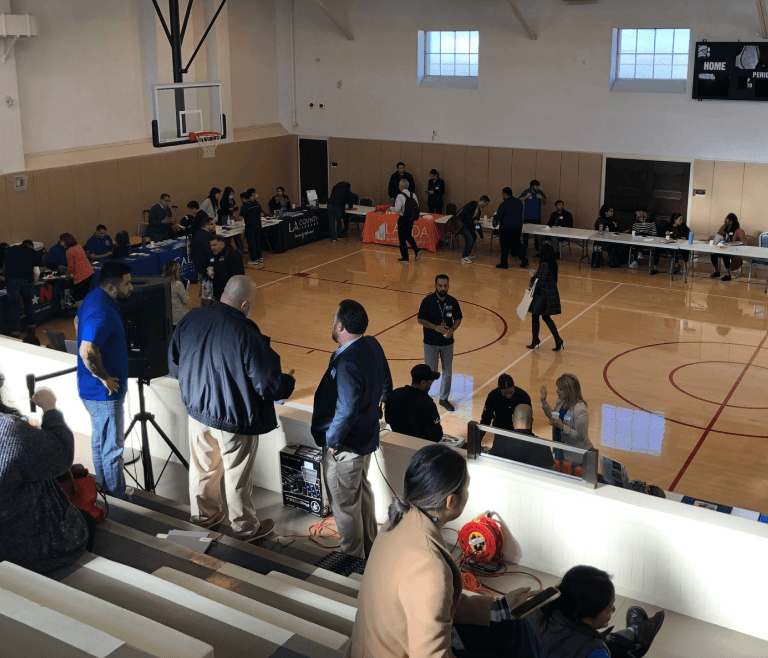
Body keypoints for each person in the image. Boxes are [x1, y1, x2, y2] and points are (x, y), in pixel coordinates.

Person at [347, 443, 540, 658]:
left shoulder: (397, 522)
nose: (468, 492)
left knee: (513, 627)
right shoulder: (428, 566)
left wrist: (498, 609)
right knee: (518, 636)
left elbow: (434, 603)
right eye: (466, 487)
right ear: (451, 501)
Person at [169, 276, 295, 541]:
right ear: (245, 303)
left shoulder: (192, 318)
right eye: (254, 301)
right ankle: (245, 528)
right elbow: (268, 385)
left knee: (203, 470)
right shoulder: (245, 332)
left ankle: (204, 517)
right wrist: (288, 383)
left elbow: (175, 364)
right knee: (237, 476)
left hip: (197, 412)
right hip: (233, 418)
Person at [311, 299, 392, 558]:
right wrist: (383, 396)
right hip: (364, 438)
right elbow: (386, 376)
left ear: (340, 326)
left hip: (345, 447)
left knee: (345, 507)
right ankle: (371, 550)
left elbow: (346, 409)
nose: (332, 321)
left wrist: (333, 441)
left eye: (334, 318)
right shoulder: (372, 344)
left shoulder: (347, 363)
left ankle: (352, 561)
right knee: (362, 494)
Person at [0, 387, 92, 574]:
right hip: (27, 551)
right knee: (86, 521)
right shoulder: (10, 430)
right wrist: (50, 408)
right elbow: (61, 453)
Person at [75, 260, 133, 501]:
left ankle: (105, 491)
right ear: (111, 288)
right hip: (104, 395)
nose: (131, 288)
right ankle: (118, 497)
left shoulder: (92, 299)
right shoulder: (103, 311)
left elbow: (77, 323)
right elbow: (87, 350)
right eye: (126, 284)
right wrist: (105, 377)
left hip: (90, 390)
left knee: (100, 442)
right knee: (112, 448)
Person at [532, 565, 665, 658]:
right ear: (587, 616)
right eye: (609, 607)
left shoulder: (535, 611)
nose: (614, 609)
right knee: (617, 646)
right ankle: (636, 636)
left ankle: (635, 633)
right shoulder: (593, 651)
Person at [418, 274, 462, 412]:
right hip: (430, 343)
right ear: (435, 286)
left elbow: (458, 319)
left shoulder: (453, 301)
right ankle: (425, 397)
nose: (443, 288)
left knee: (447, 372)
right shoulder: (428, 301)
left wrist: (452, 329)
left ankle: (444, 399)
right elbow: (420, 319)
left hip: (447, 343)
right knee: (430, 372)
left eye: (445, 286)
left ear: (448, 286)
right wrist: (435, 327)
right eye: (440, 286)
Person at [540, 373, 593, 465]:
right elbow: (554, 417)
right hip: (560, 447)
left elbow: (581, 437)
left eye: (560, 389)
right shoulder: (561, 401)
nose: (557, 391)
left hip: (575, 455)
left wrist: (562, 426)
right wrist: (544, 401)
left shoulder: (580, 411)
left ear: (569, 391)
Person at [385, 363, 443, 442]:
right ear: (423, 382)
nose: (431, 384)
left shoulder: (394, 394)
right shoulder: (427, 403)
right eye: (431, 381)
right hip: (419, 445)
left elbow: (388, 419)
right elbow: (436, 435)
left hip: (398, 441)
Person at [487, 404, 555, 469]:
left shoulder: (500, 440)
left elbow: (490, 463)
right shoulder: (544, 447)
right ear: (532, 421)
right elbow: (551, 472)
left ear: (513, 419)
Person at [527, 244, 563, 351]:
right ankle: (557, 339)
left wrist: (533, 278)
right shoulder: (553, 263)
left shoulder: (544, 264)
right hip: (551, 293)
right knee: (546, 317)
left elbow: (541, 281)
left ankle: (535, 340)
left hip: (543, 294)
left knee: (535, 315)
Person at [3, 240, 39, 337]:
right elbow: (36, 272)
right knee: (28, 304)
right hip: (27, 281)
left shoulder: (10, 250)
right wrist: (34, 281)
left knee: (14, 306)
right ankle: (31, 329)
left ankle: (15, 332)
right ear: (31, 246)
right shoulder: (32, 252)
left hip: (12, 281)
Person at [494, 187, 526, 269]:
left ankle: (504, 263)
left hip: (506, 228)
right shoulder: (519, 202)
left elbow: (499, 217)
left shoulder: (504, 204)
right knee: (517, 244)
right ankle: (524, 260)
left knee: (505, 246)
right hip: (517, 227)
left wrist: (495, 217)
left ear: (504, 194)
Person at [710, 213, 745, 282]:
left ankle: (728, 274)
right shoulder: (724, 227)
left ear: (730, 222)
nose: (724, 222)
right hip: (723, 248)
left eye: (726, 221)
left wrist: (736, 243)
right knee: (713, 254)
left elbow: (744, 242)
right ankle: (717, 271)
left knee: (725, 255)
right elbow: (718, 234)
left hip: (733, 251)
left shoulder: (739, 231)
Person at [392, 179, 422, 263]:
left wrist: (392, 209)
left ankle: (405, 257)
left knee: (402, 238)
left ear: (401, 186)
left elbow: (397, 209)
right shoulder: (413, 195)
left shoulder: (400, 196)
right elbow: (417, 206)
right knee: (408, 235)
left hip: (403, 218)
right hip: (411, 218)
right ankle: (416, 250)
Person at [208, 235, 245, 300]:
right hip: (217, 291)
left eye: (215, 245)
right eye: (211, 246)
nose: (212, 248)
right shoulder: (212, 256)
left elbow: (240, 274)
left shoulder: (233, 254)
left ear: (222, 244)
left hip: (230, 291)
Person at [61, 233, 95, 301]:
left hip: (80, 277)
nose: (61, 244)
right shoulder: (79, 246)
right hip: (89, 273)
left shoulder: (69, 251)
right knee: (86, 295)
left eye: (61, 242)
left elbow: (71, 267)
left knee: (78, 298)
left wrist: (67, 275)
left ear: (65, 241)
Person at [457, 196, 490, 264]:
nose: (486, 206)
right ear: (483, 201)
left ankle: (468, 253)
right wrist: (472, 220)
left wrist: (481, 235)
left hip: (468, 226)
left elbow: (477, 225)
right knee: (469, 238)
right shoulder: (473, 204)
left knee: (474, 236)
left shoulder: (479, 211)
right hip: (462, 224)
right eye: (486, 204)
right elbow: (464, 215)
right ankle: (465, 256)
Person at [519, 179, 547, 255]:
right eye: (536, 186)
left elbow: (545, 202)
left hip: (537, 217)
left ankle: (537, 248)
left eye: (538, 186)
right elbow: (519, 200)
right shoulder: (526, 191)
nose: (538, 187)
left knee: (537, 234)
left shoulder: (540, 192)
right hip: (527, 216)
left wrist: (541, 198)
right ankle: (525, 248)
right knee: (526, 234)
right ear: (532, 186)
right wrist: (526, 196)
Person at [239, 188, 265, 264]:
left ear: (243, 199)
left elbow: (241, 217)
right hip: (258, 226)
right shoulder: (256, 204)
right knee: (257, 242)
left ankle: (254, 259)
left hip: (250, 227)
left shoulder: (244, 207)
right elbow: (261, 213)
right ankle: (260, 258)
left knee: (252, 243)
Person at [163, 260, 189, 328]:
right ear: (176, 271)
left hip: (168, 317)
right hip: (179, 318)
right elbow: (186, 300)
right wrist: (186, 292)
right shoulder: (178, 284)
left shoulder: (162, 284)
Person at [192, 215, 216, 280]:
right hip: (204, 266)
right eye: (212, 224)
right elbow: (210, 252)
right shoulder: (204, 237)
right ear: (206, 225)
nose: (214, 226)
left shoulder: (200, 233)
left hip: (202, 265)